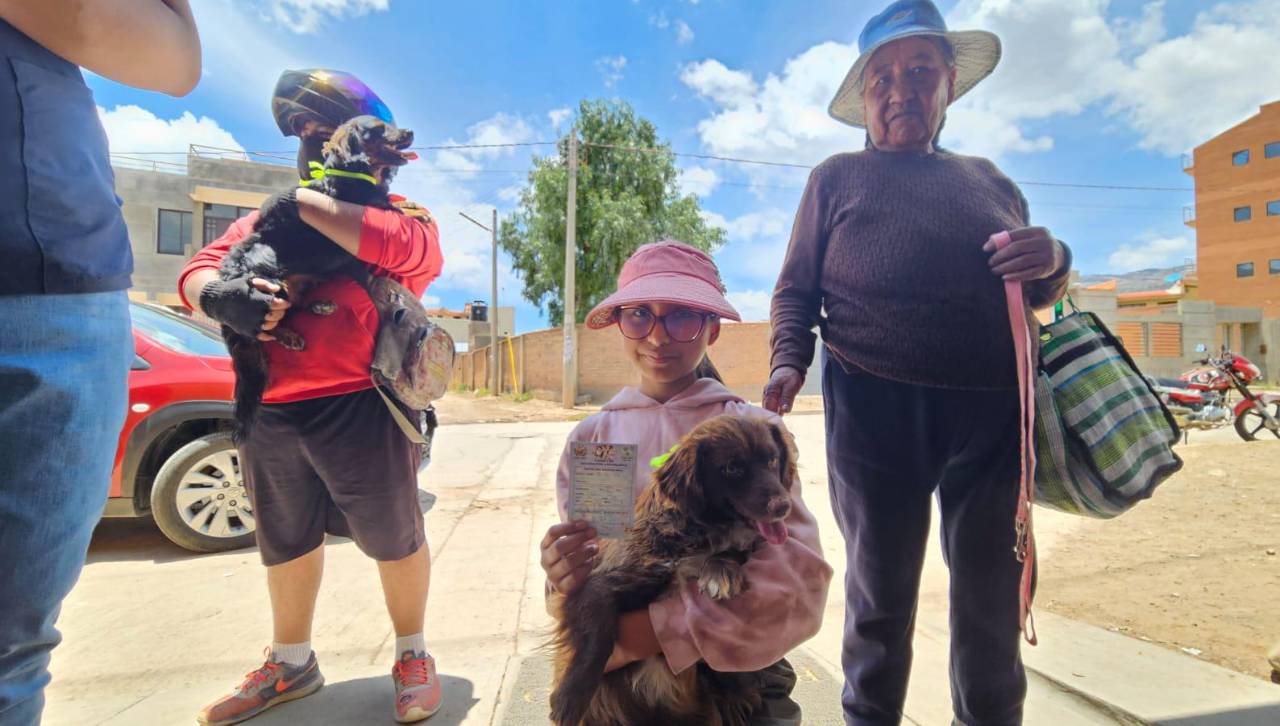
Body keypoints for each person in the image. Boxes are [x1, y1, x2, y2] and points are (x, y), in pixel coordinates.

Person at [763, 1, 1072, 724]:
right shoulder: (835, 179)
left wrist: (1054, 261)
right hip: (875, 414)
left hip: (993, 417)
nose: (900, 91)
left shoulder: (992, 180)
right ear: (865, 98)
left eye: (920, 72)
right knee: (880, 602)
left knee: (992, 606)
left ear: (948, 87)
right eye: (882, 79)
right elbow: (795, 290)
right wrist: (787, 361)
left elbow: (1036, 290)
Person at [179, 69, 446, 725]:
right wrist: (218, 294)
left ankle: (413, 654)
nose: (318, 149)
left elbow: (413, 251)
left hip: (363, 402)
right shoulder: (262, 216)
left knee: (395, 534)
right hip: (269, 407)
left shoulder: (396, 212)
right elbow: (197, 269)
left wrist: (301, 206)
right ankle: (291, 663)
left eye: (331, 136)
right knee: (285, 540)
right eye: (308, 137)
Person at [0, 2, 201, 723]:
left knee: (8, 651)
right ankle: (291, 656)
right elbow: (204, 268)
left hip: (45, 272)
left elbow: (172, 60)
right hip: (47, 271)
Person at [540, 240, 833, 724]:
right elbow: (602, 564)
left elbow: (796, 589)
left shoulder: (756, 433)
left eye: (681, 316)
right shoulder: (598, 439)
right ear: (619, 324)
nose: (658, 336)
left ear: (711, 329)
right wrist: (561, 577)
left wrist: (635, 639)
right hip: (621, 694)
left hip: (734, 680)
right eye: (639, 314)